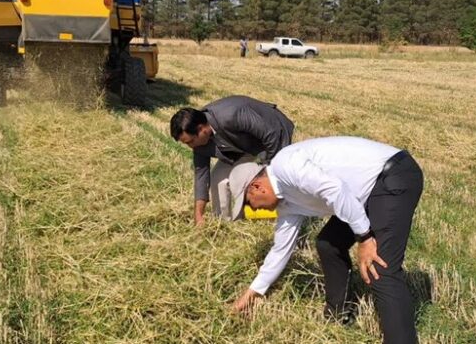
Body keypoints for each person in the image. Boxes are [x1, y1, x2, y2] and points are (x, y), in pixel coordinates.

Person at [228, 136, 423, 344]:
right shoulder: (285, 203)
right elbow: (280, 250)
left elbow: (335, 190)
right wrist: (252, 293)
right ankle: (338, 314)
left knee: (380, 268)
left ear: (257, 187)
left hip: (393, 175)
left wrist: (365, 238)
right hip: (361, 194)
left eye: (250, 204)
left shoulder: (287, 166)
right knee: (328, 244)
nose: (254, 210)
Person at [169, 95, 294, 225]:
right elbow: (201, 175)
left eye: (191, 141)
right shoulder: (199, 143)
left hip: (271, 139)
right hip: (238, 148)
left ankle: (286, 219)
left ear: (202, 129)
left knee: (270, 183)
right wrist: (198, 215)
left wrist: (270, 171)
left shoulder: (231, 115)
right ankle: (223, 223)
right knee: (218, 178)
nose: (191, 146)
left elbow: (272, 134)